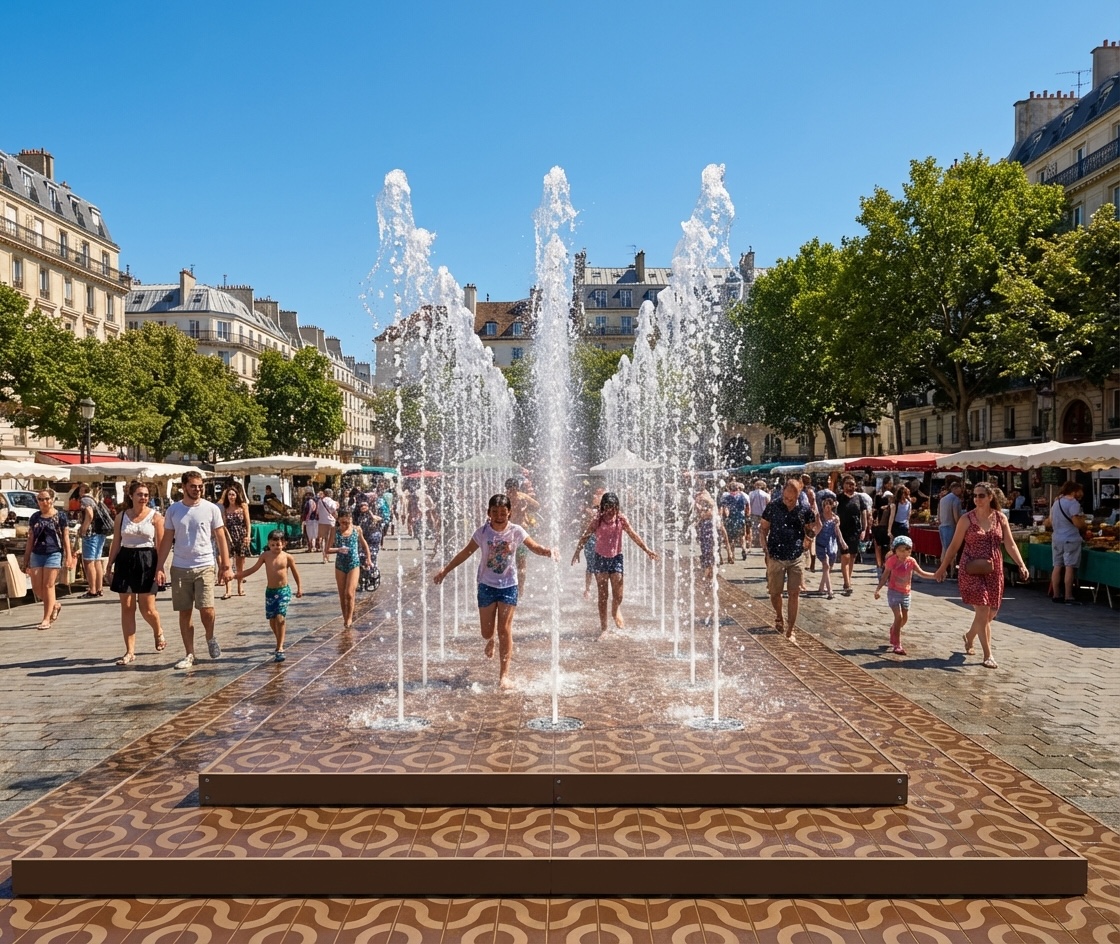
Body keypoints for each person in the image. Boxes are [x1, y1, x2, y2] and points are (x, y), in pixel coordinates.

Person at [435, 494, 557, 689]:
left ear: (509, 512)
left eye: (503, 512)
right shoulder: (483, 533)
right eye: (495, 513)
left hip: (509, 585)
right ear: (488, 513)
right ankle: (489, 640)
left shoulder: (516, 531)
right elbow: (465, 553)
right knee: (486, 631)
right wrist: (446, 570)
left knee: (505, 629)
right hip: (486, 585)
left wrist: (548, 551)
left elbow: (534, 547)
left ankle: (504, 675)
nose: (499, 516)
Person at [935, 484, 1029, 669]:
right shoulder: (966, 519)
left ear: (990, 497)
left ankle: (969, 636)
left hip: (994, 569)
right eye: (975, 496)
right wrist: (942, 567)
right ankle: (988, 654)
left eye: (981, 495)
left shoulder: (1000, 518)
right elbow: (954, 546)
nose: (977, 499)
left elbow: (1010, 544)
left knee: (991, 612)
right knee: (983, 610)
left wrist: (1021, 564)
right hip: (971, 568)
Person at [156, 471, 234, 670]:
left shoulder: (211, 509)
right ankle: (190, 653)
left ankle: (210, 636)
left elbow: (220, 537)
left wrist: (226, 566)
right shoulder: (174, 510)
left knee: (206, 609)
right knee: (185, 611)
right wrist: (159, 566)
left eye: (200, 486)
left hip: (205, 564)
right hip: (180, 566)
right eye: (193, 486)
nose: (198, 489)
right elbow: (167, 539)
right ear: (183, 487)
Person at [571, 491, 658, 638]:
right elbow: (586, 535)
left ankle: (615, 609)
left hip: (616, 558)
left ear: (617, 506)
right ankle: (604, 628)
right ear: (603, 507)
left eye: (613, 507)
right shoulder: (597, 520)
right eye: (607, 506)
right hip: (600, 559)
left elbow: (633, 535)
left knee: (619, 595)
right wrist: (577, 551)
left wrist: (647, 550)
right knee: (602, 595)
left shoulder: (621, 520)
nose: (610, 510)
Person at [105, 481, 166, 666]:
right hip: (125, 559)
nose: (143, 498)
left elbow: (161, 545)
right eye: (140, 494)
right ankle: (130, 651)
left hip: (147, 560)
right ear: (131, 496)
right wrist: (109, 564)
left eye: (146, 495)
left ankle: (158, 630)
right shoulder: (121, 517)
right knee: (127, 607)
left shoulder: (156, 517)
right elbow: (116, 542)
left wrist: (160, 568)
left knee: (147, 608)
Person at [758, 479, 816, 644]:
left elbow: (812, 528)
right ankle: (778, 615)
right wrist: (764, 546)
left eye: (791, 499)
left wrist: (809, 538)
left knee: (794, 593)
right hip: (775, 555)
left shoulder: (804, 509)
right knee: (775, 593)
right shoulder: (773, 506)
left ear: (798, 495)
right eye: (785, 498)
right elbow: (763, 528)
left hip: (795, 556)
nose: (787, 501)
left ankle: (791, 629)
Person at [241, 530, 303, 661]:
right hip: (270, 592)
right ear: (269, 544)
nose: (276, 547)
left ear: (284, 544)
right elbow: (254, 568)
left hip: (283, 591)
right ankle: (279, 640)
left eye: (278, 544)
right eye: (273, 544)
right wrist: (238, 575)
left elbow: (296, 573)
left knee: (280, 618)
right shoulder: (265, 556)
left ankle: (280, 648)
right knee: (272, 620)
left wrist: (299, 588)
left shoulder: (287, 557)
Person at [874, 535, 936, 656]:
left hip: (906, 593)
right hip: (893, 591)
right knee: (899, 616)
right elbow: (885, 575)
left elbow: (922, 573)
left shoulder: (911, 561)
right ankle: (897, 644)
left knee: (904, 619)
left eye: (907, 550)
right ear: (895, 551)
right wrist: (878, 589)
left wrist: (935, 575)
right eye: (901, 550)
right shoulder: (892, 561)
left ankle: (894, 630)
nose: (904, 553)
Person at [21, 489, 73, 631]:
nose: (44, 502)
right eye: (40, 499)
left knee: (49, 586)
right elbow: (30, 538)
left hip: (54, 552)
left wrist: (69, 555)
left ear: (52, 499)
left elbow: (66, 537)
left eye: (46, 499)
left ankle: (46, 618)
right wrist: (26, 559)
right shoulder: (35, 517)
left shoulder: (60, 516)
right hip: (37, 553)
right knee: (37, 588)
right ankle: (55, 605)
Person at [326, 509, 370, 629]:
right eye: (343, 523)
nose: (346, 525)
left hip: (353, 563)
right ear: (338, 520)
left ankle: (350, 618)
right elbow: (327, 550)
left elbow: (364, 544)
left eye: (348, 522)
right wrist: (338, 549)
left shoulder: (357, 530)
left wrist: (368, 559)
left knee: (349, 593)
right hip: (340, 564)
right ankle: (345, 618)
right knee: (342, 594)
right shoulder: (334, 530)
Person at [1049, 481, 1085, 605]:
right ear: (1074, 491)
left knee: (1057, 566)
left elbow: (1050, 521)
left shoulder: (1056, 502)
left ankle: (1056, 594)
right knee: (1069, 567)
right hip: (1070, 538)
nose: (1082, 494)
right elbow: (1076, 522)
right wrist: (1084, 525)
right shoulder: (1073, 503)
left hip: (1057, 538)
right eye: (1080, 491)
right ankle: (1069, 596)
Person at [505, 477, 541, 595]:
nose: (512, 492)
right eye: (509, 489)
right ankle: (508, 586)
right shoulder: (503, 499)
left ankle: (520, 590)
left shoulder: (523, 497)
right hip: (506, 534)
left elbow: (537, 506)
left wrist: (526, 509)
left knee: (521, 563)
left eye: (514, 489)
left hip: (521, 533)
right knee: (506, 562)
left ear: (517, 488)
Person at [77, 483, 112, 598]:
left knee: (89, 561)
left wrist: (84, 528)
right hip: (99, 533)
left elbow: (90, 514)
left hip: (90, 533)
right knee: (97, 560)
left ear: (82, 490)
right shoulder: (95, 499)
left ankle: (92, 589)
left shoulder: (85, 499)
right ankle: (99, 588)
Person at [835, 475, 868, 595]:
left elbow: (863, 514)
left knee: (853, 556)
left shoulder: (859, 498)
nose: (851, 486)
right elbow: (834, 513)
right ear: (843, 485)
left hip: (855, 531)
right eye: (848, 483)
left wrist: (864, 529)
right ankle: (847, 582)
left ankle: (848, 579)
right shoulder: (838, 498)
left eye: (853, 484)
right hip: (843, 531)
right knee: (845, 556)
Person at [813, 496, 848, 599]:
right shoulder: (820, 517)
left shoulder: (835, 518)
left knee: (828, 567)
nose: (827, 508)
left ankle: (821, 587)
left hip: (831, 544)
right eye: (825, 505)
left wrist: (842, 542)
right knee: (826, 564)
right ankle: (830, 591)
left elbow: (838, 532)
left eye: (829, 505)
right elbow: (816, 529)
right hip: (821, 544)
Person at [219, 485, 250, 599]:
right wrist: (226, 538)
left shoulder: (243, 507)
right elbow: (224, 525)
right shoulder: (225, 509)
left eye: (233, 494)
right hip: (229, 537)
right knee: (228, 564)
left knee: (240, 564)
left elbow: (248, 523)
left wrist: (248, 536)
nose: (231, 497)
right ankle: (228, 590)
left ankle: (240, 587)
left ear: (237, 495)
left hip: (241, 536)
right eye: (229, 495)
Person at [580, 487, 606, 599]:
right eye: (597, 497)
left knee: (600, 565)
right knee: (591, 565)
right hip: (591, 540)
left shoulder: (604, 513)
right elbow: (584, 529)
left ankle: (598, 588)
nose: (599, 499)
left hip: (601, 540)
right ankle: (588, 589)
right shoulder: (589, 513)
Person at [938, 479, 964, 578]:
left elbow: (939, 516)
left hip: (942, 526)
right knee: (952, 550)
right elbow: (956, 515)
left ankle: (943, 569)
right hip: (950, 526)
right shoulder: (955, 499)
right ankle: (951, 571)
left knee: (944, 549)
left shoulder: (943, 499)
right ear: (955, 488)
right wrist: (960, 528)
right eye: (960, 488)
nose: (961, 490)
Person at [721, 480, 749, 562]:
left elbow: (725, 509)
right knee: (742, 536)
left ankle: (732, 556)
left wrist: (726, 516)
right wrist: (746, 516)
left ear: (729, 489)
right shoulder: (742, 496)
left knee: (731, 538)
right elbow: (747, 507)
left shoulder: (726, 497)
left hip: (731, 519)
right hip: (741, 518)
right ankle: (743, 548)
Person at [746, 479, 771, 554]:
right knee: (763, 528)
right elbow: (769, 504)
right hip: (764, 514)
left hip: (753, 513)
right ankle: (762, 542)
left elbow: (748, 503)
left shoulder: (751, 494)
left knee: (754, 528)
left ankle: (755, 542)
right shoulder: (766, 495)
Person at [316, 488, 338, 563]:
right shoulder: (331, 501)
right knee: (329, 539)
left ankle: (324, 557)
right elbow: (334, 509)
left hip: (322, 521)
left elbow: (317, 511)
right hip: (330, 522)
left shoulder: (320, 501)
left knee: (322, 539)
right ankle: (327, 555)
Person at [300, 488, 318, 552]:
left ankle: (311, 547)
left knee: (309, 534)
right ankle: (313, 547)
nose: (307, 496)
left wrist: (306, 518)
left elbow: (308, 510)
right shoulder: (315, 501)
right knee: (313, 534)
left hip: (310, 520)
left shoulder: (308, 502)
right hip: (314, 520)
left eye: (308, 494)